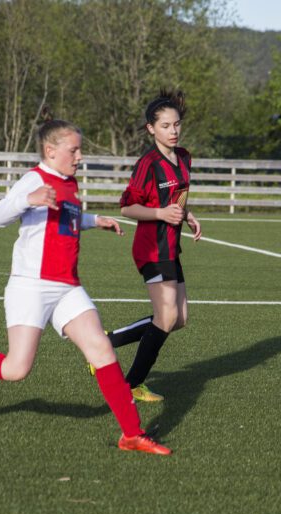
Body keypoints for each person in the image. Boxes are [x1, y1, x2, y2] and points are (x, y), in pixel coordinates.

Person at [0, 116, 171, 456]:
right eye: (74, 149)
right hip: (31, 286)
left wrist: (96, 221)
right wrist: (28, 199)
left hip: (68, 287)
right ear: (50, 150)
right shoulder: (33, 180)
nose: (80, 156)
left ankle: (131, 434)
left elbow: (66, 219)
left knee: (101, 350)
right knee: (16, 369)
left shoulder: (69, 182)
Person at [101, 89, 202, 402]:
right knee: (167, 317)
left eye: (176, 125)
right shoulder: (147, 164)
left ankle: (108, 342)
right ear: (151, 129)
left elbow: (175, 199)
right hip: (151, 248)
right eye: (165, 126)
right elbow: (126, 207)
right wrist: (159, 213)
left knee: (179, 319)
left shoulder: (184, 157)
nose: (173, 131)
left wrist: (186, 214)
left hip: (171, 246)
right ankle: (130, 385)